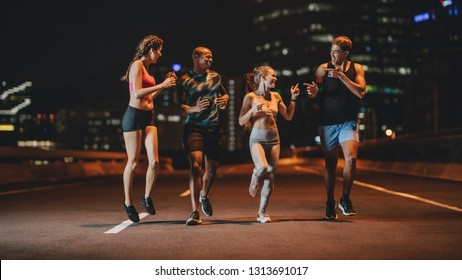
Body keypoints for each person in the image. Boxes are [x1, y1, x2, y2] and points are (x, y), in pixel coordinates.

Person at [304, 35, 366, 220]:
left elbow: (361, 92)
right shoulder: (322, 69)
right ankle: (330, 201)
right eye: (331, 51)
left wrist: (342, 76)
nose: (332, 55)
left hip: (348, 121)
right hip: (327, 122)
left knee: (351, 159)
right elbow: (317, 92)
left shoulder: (357, 68)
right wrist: (314, 93)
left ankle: (345, 199)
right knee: (331, 164)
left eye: (336, 52)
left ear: (345, 53)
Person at [120, 35, 177, 223]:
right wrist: (161, 84)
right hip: (133, 116)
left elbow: (149, 97)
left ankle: (146, 197)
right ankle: (128, 203)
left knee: (155, 162)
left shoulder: (149, 72)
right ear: (150, 50)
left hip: (149, 116)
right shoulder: (136, 65)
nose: (160, 54)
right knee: (134, 162)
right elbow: (136, 94)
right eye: (159, 50)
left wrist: (164, 85)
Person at [239, 66, 300, 223]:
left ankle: (262, 212)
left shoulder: (276, 96)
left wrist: (293, 98)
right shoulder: (250, 97)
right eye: (273, 76)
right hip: (257, 139)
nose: (275, 78)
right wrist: (252, 111)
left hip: (274, 139)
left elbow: (288, 116)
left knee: (270, 176)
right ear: (262, 78)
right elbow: (241, 121)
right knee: (263, 167)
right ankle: (255, 177)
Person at [177, 47, 229, 226]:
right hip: (194, 129)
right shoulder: (184, 80)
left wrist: (225, 100)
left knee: (212, 169)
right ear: (196, 57)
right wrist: (195, 109)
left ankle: (204, 195)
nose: (210, 60)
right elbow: (181, 107)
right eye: (207, 57)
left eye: (212, 57)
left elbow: (224, 95)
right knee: (196, 165)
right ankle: (194, 211)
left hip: (214, 128)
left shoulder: (216, 77)